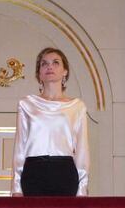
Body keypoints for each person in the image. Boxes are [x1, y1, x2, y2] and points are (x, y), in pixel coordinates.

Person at [11, 47, 90, 197]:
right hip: (33, 171)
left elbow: (82, 150)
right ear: (39, 73)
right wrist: (16, 187)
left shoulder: (77, 106)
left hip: (64, 170)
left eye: (55, 63)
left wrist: (82, 189)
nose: (49, 66)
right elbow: (20, 146)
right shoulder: (26, 104)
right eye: (44, 64)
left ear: (65, 71)